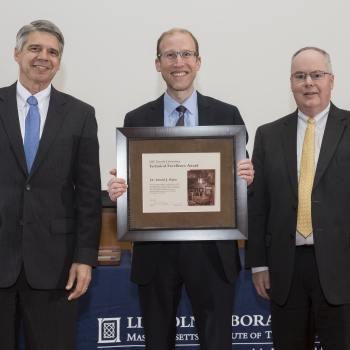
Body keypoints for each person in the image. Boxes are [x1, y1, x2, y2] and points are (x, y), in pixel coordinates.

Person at [107, 28, 254, 350]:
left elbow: (239, 182)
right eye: (169, 55)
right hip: (155, 251)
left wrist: (247, 176)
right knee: (157, 342)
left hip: (213, 251)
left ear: (198, 62)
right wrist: (121, 190)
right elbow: (135, 183)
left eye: (186, 54)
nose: (178, 62)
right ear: (157, 64)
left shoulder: (228, 115)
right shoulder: (136, 118)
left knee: (217, 343)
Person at [0, 20, 102, 350]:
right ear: (17, 54)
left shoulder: (80, 114)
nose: (44, 57)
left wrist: (85, 258)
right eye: (35, 48)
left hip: (56, 267)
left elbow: (88, 193)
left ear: (59, 61)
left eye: (53, 52)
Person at [246, 46, 350, 349]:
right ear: (291, 82)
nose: (309, 83)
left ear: (331, 80)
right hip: (284, 269)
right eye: (300, 76)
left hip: (341, 269)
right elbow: (258, 205)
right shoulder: (267, 135)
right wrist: (258, 265)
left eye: (316, 75)